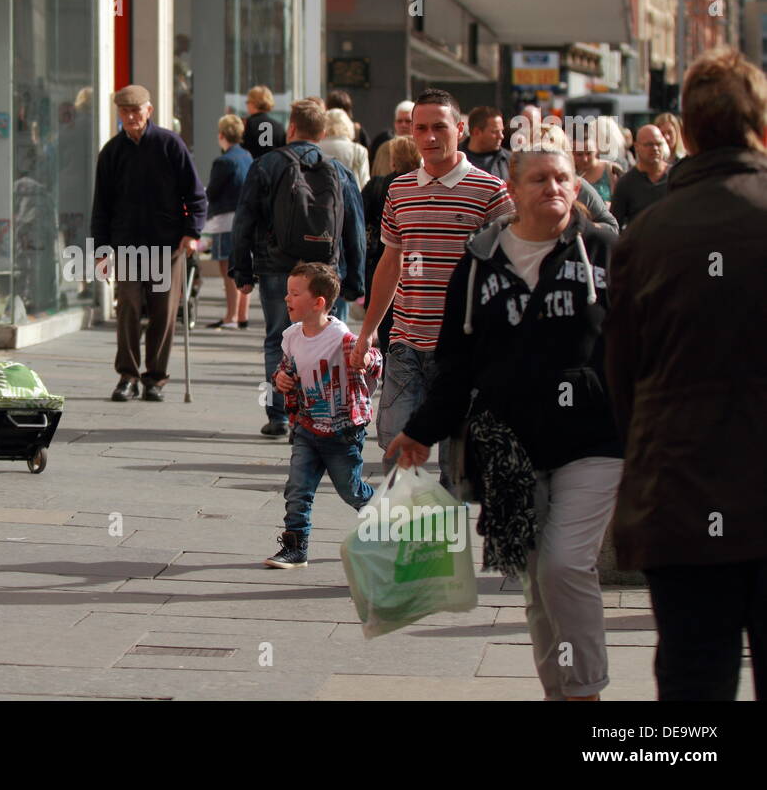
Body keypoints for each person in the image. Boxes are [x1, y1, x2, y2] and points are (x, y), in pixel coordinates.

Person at [386, 138, 622, 701]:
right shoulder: (479, 261)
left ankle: (586, 691)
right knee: (538, 583)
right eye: (539, 179)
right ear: (512, 191)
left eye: (563, 178)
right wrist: (421, 429)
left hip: (594, 440)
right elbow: (456, 362)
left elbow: (649, 340)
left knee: (565, 566)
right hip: (511, 447)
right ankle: (557, 691)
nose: (555, 188)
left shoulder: (605, 250)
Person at [606, 46, 767, 701]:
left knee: (693, 681)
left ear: (687, 133)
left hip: (679, 494)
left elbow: (622, 377)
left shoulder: (645, 235)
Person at [352, 88, 515, 489]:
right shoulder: (400, 190)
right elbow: (390, 263)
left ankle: (441, 546)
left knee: (455, 463)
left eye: (439, 127)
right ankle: (410, 532)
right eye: (420, 128)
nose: (428, 136)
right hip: (406, 340)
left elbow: (512, 264)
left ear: (459, 129)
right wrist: (368, 330)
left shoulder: (491, 191)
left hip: (462, 347)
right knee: (393, 444)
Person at [232, 97, 365, 438]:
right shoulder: (339, 171)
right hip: (325, 272)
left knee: (278, 339)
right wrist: (355, 281)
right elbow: (355, 230)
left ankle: (280, 415)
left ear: (291, 127)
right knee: (329, 343)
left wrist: (242, 271)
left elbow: (244, 220)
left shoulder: (265, 165)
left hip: (278, 267)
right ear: (322, 132)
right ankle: (321, 416)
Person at [91, 84, 206, 402]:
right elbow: (101, 205)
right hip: (127, 246)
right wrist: (101, 248)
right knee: (127, 307)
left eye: (136, 111)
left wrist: (192, 231)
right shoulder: (112, 152)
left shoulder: (170, 144)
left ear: (149, 111)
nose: (130, 117)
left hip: (168, 246)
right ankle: (127, 375)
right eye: (124, 112)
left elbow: (196, 194)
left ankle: (155, 376)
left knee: (163, 312)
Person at [264, 262, 382, 568]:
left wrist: (367, 358)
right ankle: (295, 546)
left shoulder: (340, 338)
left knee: (350, 489)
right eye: (287, 292)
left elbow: (372, 358)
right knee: (297, 489)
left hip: (342, 432)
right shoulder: (291, 335)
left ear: (318, 302)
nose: (286, 298)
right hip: (306, 427)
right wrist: (281, 379)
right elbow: (287, 368)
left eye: (294, 293)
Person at [361, 137, 422, 352]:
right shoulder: (420, 186)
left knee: (386, 322)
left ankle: (389, 367)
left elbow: (361, 219)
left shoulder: (378, 185)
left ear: (393, 160)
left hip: (380, 258)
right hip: (415, 264)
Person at [203, 113, 253, 330]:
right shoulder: (247, 156)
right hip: (245, 218)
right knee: (243, 267)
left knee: (228, 271)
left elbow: (212, 192)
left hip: (225, 219)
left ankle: (231, 315)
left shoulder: (223, 161)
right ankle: (241, 315)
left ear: (221, 135)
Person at [610, 123, 670, 228]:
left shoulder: (675, 176)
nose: (655, 148)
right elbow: (615, 225)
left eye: (659, 144)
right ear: (636, 147)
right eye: (649, 144)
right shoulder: (626, 184)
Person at [319, 108, 371, 189]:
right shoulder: (358, 150)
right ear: (348, 125)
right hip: (351, 199)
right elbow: (365, 184)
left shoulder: (316, 148)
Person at [573, 122, 623, 203]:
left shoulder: (611, 170)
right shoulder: (568, 174)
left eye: (589, 153)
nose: (585, 159)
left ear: (596, 149)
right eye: (579, 154)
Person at [460, 106, 510, 182]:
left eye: (501, 131)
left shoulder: (509, 160)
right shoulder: (454, 158)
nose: (501, 136)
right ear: (476, 132)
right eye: (494, 132)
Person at [241, 85, 285, 160]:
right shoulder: (279, 126)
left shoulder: (247, 124)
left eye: (247, 102)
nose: (247, 105)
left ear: (253, 103)